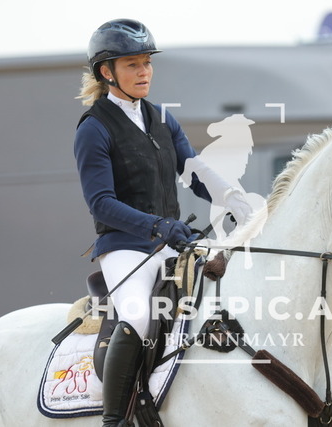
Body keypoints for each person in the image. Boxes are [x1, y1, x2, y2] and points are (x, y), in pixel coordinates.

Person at [74, 19, 253, 427]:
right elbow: (101, 204)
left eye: (147, 63)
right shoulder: (94, 128)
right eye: (133, 65)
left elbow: (195, 172)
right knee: (139, 317)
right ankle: (115, 420)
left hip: (172, 243)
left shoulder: (161, 118)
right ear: (107, 72)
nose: (144, 72)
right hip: (125, 248)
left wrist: (234, 200)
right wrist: (158, 226)